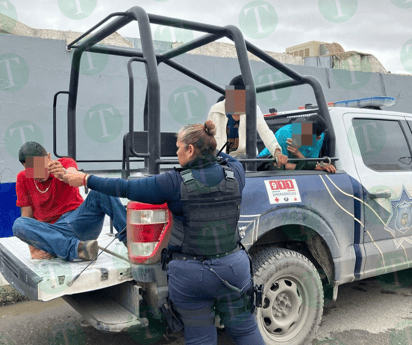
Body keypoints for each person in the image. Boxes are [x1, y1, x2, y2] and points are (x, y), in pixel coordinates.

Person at [64, 121, 265, 345]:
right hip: (233, 270)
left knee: (200, 338)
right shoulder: (235, 174)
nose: (176, 152)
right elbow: (230, 159)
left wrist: (85, 179)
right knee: (246, 331)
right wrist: (214, 153)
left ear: (190, 149)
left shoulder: (173, 182)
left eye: (178, 147)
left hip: (191, 276)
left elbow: (126, 188)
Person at [12, 142, 127, 261]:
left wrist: (64, 175)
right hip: (54, 233)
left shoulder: (65, 163)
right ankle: (78, 249)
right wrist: (34, 249)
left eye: (40, 167)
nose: (37, 174)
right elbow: (27, 215)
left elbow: (75, 174)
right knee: (19, 224)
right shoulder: (22, 178)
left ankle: (129, 238)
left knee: (101, 190)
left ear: (49, 158)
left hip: (79, 221)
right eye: (31, 170)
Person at [207, 75, 287, 166]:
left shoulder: (253, 109)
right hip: (222, 161)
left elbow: (265, 132)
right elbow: (208, 138)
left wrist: (277, 152)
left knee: (268, 163)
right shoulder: (215, 111)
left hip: (246, 161)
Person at [258, 115, 337, 173]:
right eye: (302, 129)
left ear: (317, 138)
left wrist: (298, 154)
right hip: (265, 167)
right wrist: (314, 167)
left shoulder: (320, 138)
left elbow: (310, 162)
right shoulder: (285, 134)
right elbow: (280, 166)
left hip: (297, 171)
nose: (299, 134)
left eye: (306, 135)